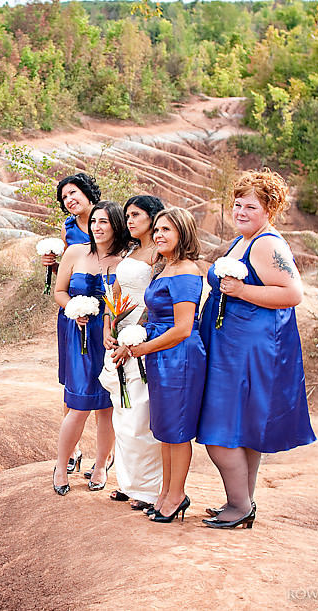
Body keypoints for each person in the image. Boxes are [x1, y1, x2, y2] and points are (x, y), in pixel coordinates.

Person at [198, 168, 316, 529]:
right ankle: (242, 502)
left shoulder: (267, 244)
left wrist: (242, 291)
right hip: (234, 343)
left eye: (250, 206)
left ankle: (239, 504)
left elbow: (293, 294)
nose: (241, 212)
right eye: (237, 204)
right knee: (244, 426)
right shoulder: (243, 240)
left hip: (248, 348)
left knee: (219, 428)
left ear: (269, 209)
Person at [121, 207, 205, 524]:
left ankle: (176, 494)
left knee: (177, 429)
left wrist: (142, 348)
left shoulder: (185, 270)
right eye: (156, 229)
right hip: (161, 354)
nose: (158, 235)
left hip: (180, 356)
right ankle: (166, 491)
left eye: (166, 230)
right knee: (165, 428)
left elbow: (183, 327)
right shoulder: (165, 269)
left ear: (182, 233)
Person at [51, 201, 127, 495]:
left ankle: (100, 465)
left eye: (104, 222)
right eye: (94, 221)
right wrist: (73, 307)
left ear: (116, 226)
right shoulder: (74, 252)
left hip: (108, 336)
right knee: (78, 405)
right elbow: (59, 291)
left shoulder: (124, 261)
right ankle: (61, 465)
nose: (96, 226)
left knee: (106, 407)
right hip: (79, 334)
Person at [98, 195, 165, 511]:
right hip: (121, 330)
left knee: (140, 410)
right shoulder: (132, 251)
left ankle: (149, 490)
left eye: (136, 215)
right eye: (127, 216)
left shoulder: (159, 253)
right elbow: (118, 291)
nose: (129, 221)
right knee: (121, 412)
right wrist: (108, 325)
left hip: (142, 335)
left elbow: (155, 301)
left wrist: (133, 336)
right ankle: (127, 482)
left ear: (153, 217)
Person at [39, 173, 101, 474]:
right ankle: (73, 449)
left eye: (73, 193)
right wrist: (52, 264)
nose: (69, 200)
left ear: (88, 193)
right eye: (64, 198)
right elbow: (67, 271)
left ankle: (105, 456)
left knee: (102, 386)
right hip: (72, 311)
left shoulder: (107, 220)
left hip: (104, 309)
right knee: (71, 379)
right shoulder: (68, 229)